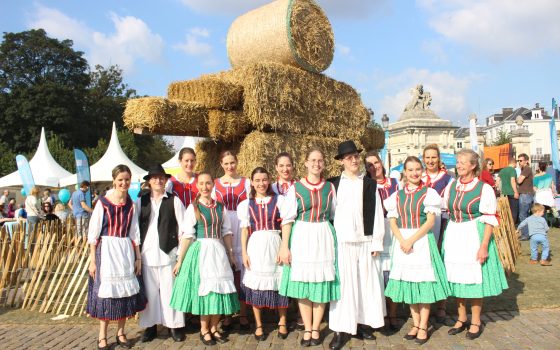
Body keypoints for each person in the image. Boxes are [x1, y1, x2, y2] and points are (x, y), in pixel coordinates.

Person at [383, 156, 450, 345]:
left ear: (421, 171)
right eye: (410, 170)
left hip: (421, 242)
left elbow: (430, 222)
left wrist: (411, 240)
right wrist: (402, 240)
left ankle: (423, 326)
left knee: (424, 284)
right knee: (410, 284)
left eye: (417, 169)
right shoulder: (397, 195)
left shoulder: (429, 193)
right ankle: (416, 322)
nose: (414, 173)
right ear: (404, 172)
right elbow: (393, 221)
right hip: (403, 242)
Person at [443, 149, 508, 340]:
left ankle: (476, 320)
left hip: (473, 233)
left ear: (473, 165)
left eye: (463, 162)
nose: (459, 165)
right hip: (455, 233)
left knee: (473, 278)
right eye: (458, 162)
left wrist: (484, 245)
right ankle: (461, 317)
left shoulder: (484, 188)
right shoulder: (452, 186)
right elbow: (445, 208)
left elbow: (489, 219)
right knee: (456, 277)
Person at [327, 142, 386, 350]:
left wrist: (377, 241)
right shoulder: (333, 185)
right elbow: (329, 215)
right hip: (343, 244)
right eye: (349, 157)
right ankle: (341, 329)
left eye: (355, 156)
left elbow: (378, 213)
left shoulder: (370, 185)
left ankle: (362, 324)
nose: (353, 160)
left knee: (366, 285)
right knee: (344, 288)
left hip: (365, 241)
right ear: (342, 161)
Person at [279, 148, 340, 347]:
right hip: (302, 235)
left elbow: (333, 214)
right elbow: (287, 220)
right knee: (303, 284)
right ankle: (307, 327)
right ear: (305, 163)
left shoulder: (330, 188)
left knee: (321, 282)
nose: (316, 164)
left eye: (320, 160)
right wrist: (284, 247)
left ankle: (316, 328)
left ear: (324, 163)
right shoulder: (295, 188)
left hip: (323, 234)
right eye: (312, 160)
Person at [170, 172, 240, 346]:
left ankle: (215, 327)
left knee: (219, 289)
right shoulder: (193, 208)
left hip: (218, 251)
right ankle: (204, 329)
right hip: (201, 251)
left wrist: (230, 254)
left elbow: (226, 232)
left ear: (212, 185)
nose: (205, 187)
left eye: (208, 183)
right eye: (201, 184)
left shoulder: (220, 207)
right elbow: (187, 235)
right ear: (198, 186)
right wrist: (180, 259)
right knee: (206, 290)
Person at [86, 165, 147, 350]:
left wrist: (138, 258)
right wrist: (92, 260)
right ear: (114, 180)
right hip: (106, 252)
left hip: (125, 252)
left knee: (125, 294)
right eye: (120, 179)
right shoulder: (103, 203)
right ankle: (102, 336)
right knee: (106, 296)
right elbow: (93, 232)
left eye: (127, 179)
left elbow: (135, 232)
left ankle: (121, 332)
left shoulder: (131, 203)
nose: (124, 183)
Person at [238, 167, 293, 341]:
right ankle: (259, 324)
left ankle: (282, 321)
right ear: (252, 183)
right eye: (257, 180)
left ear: (269, 181)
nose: (261, 183)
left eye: (264, 180)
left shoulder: (280, 200)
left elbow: (285, 224)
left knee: (279, 282)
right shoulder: (246, 204)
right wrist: (244, 253)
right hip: (256, 245)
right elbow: (245, 230)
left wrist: (284, 247)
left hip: (274, 242)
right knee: (256, 284)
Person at [138, 165, 186, 343]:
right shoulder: (140, 201)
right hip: (147, 253)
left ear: (166, 181)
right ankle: (150, 327)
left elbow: (183, 228)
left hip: (168, 252)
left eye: (161, 178)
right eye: (155, 178)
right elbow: (135, 228)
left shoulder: (174, 200)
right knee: (150, 293)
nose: (158, 181)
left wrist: (180, 253)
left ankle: (174, 326)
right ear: (149, 181)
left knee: (170, 291)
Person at [213, 150, 251, 331]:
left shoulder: (246, 183)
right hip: (223, 227)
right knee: (225, 270)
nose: (230, 166)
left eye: (232, 163)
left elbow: (252, 206)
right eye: (226, 163)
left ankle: (243, 313)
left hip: (242, 226)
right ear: (221, 164)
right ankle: (227, 314)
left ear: (237, 162)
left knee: (243, 270)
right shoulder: (215, 184)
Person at [365, 151, 400, 331]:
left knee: (392, 274)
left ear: (381, 163)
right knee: (378, 275)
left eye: (376, 162)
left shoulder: (395, 182)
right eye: (369, 164)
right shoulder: (367, 185)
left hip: (393, 229)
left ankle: (392, 313)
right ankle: (380, 313)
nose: (374, 166)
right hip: (376, 230)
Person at [421, 144, 454, 323]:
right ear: (423, 159)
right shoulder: (420, 176)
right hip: (421, 222)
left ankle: (441, 305)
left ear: (438, 158)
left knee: (440, 260)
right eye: (427, 157)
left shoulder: (448, 179)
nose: (431, 161)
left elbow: (447, 202)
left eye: (434, 157)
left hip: (441, 220)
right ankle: (423, 301)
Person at [517, 153, 534, 240]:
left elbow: (519, 181)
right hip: (527, 194)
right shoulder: (526, 169)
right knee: (526, 215)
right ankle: (528, 233)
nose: (519, 162)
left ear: (526, 161)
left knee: (522, 215)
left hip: (525, 195)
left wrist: (516, 178)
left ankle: (525, 235)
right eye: (518, 160)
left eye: (521, 160)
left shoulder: (526, 169)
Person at [498, 158, 519, 225]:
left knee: (506, 210)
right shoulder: (513, 170)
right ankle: (513, 226)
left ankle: (506, 224)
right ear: (514, 163)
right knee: (514, 211)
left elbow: (497, 181)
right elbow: (512, 181)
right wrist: (516, 192)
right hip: (512, 193)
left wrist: (500, 190)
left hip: (504, 193)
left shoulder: (502, 170)